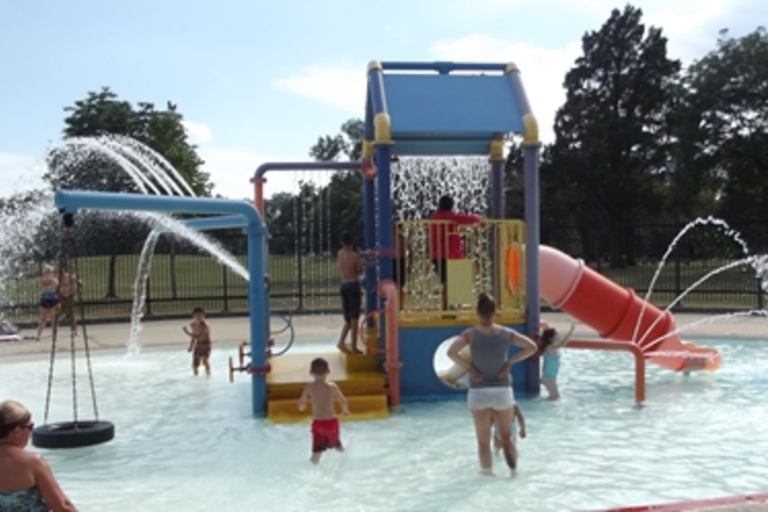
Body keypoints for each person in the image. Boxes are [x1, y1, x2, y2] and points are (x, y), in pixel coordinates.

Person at [447, 292, 538, 476]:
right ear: (495, 312)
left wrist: (470, 369)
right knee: (506, 437)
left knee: (483, 442)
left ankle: (487, 475)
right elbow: (532, 347)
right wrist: (509, 363)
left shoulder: (470, 334)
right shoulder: (506, 334)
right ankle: (514, 472)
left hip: (478, 393)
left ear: (477, 313)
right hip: (502, 391)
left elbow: (451, 352)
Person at [0, 400, 78, 512]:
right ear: (17, 431)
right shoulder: (32, 462)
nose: (31, 432)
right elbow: (62, 506)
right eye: (30, 427)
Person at [428, 195, 483, 309]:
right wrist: (479, 219)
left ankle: (449, 307)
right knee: (449, 282)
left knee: (447, 282)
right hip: (447, 254)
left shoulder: (435, 217)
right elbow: (465, 219)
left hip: (437, 254)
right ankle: (448, 308)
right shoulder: (447, 216)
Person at [297, 357, 350, 464]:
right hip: (331, 422)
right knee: (337, 445)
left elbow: (301, 403)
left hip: (318, 423)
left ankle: (313, 469)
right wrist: (345, 410)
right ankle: (347, 459)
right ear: (328, 371)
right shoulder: (332, 387)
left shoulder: (309, 387)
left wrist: (301, 407)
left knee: (317, 452)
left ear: (311, 372)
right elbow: (343, 400)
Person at [336, 231, 365, 354]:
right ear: (352, 242)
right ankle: (353, 346)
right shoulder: (355, 256)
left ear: (341, 242)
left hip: (343, 285)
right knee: (354, 318)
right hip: (353, 285)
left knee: (348, 318)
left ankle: (341, 342)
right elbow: (358, 271)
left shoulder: (340, 254)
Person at [539, 322, 575, 401]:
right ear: (551, 339)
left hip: (551, 378)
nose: (559, 336)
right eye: (557, 335)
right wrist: (571, 331)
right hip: (548, 378)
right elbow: (563, 344)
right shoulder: (550, 348)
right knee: (556, 398)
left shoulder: (552, 348)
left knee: (553, 398)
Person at [183, 307, 212, 376]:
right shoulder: (193, 325)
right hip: (198, 345)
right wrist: (191, 346)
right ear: (194, 316)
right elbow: (194, 337)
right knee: (195, 364)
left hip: (206, 344)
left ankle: (208, 374)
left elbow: (197, 336)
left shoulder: (205, 326)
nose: (198, 317)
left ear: (203, 316)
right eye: (197, 315)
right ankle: (196, 375)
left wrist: (186, 332)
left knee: (205, 361)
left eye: (200, 315)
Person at [36, 265, 60, 342]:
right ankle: (39, 335)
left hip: (53, 300)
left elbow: (55, 285)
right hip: (45, 300)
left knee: (53, 319)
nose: (49, 274)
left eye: (50, 272)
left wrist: (49, 281)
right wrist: (46, 282)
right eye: (47, 273)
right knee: (43, 319)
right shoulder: (43, 280)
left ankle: (54, 335)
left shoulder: (54, 280)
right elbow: (42, 286)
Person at [57, 266, 83, 337]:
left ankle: (75, 330)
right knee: (58, 314)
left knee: (71, 314)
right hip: (62, 297)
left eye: (62, 271)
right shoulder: (58, 278)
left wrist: (75, 292)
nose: (61, 272)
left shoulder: (69, 277)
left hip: (69, 296)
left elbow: (80, 283)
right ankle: (55, 331)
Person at [393, 223, 413, 310]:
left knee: (401, 285)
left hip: (401, 260)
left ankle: (400, 306)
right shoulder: (390, 238)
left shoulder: (403, 238)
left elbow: (411, 251)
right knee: (394, 285)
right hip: (393, 261)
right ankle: (396, 304)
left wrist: (410, 266)